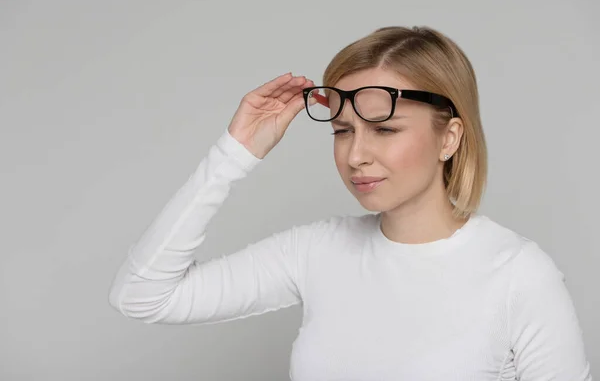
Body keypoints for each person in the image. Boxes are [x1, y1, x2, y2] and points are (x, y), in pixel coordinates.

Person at [108, 26, 592, 380]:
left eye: (385, 129)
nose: (356, 155)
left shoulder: (518, 274)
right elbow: (142, 295)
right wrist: (234, 153)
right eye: (342, 131)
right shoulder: (317, 251)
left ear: (449, 137)